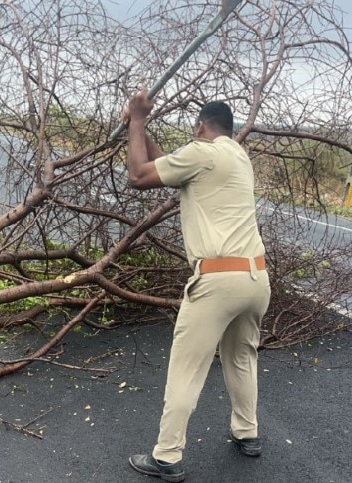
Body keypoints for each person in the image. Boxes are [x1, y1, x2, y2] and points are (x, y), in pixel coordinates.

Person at [122, 89, 271, 482]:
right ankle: (247, 433)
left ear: (201, 126)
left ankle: (167, 456)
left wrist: (136, 120)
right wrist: (142, 129)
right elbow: (164, 165)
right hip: (256, 278)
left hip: (218, 281)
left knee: (186, 369)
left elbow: (139, 175)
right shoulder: (237, 156)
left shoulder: (202, 154)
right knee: (242, 358)